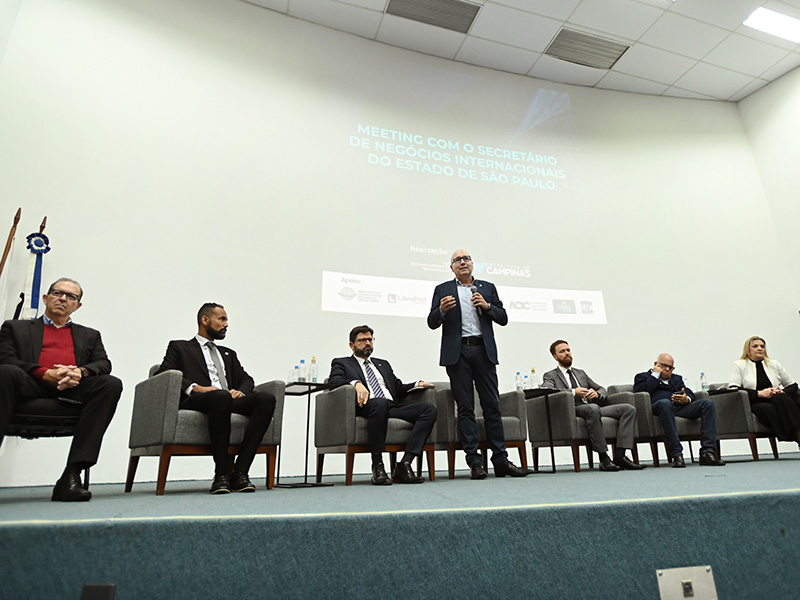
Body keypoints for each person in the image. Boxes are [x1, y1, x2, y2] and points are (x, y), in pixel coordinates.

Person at [0, 278, 122, 501]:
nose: (63, 299)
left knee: (110, 383)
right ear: (46, 298)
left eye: (71, 296)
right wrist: (44, 373)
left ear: (78, 305)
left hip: (70, 390)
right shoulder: (15, 328)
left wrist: (80, 372)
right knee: (5, 371)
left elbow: (103, 364)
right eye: (57, 293)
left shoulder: (90, 335)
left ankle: (71, 476)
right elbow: (5, 358)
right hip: (29, 385)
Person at [427, 249, 531, 479]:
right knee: (465, 408)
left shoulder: (487, 288)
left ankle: (501, 460)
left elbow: (502, 318)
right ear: (451, 267)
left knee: (492, 406)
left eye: (466, 259)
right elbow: (431, 322)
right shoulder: (442, 289)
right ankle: (475, 462)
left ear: (472, 264)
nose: (462, 262)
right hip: (458, 353)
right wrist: (442, 311)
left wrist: (487, 306)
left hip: (484, 352)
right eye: (457, 260)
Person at [156, 303, 276, 494]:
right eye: (222, 319)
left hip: (227, 399)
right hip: (199, 400)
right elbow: (164, 372)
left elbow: (247, 379)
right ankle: (221, 474)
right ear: (205, 320)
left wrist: (241, 392)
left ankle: (240, 472)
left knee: (267, 399)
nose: (226, 324)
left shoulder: (228, 353)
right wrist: (196, 388)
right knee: (220, 397)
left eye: (226, 320)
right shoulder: (179, 347)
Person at [328, 325, 437, 485]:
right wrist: (356, 383)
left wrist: (417, 383)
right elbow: (333, 382)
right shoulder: (342, 363)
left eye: (370, 340)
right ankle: (378, 466)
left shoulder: (382, 364)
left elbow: (398, 388)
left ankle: (405, 464)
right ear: (352, 345)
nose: (367, 343)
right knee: (379, 403)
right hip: (366, 406)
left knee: (428, 409)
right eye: (362, 340)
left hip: (391, 406)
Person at [542, 340, 644, 471]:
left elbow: (602, 389)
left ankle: (620, 455)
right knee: (592, 408)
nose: (567, 353)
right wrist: (573, 392)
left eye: (568, 350)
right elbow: (549, 391)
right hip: (572, 409)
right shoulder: (550, 375)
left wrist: (596, 393)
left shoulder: (580, 373)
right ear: (555, 357)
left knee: (628, 409)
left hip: (592, 407)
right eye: (562, 351)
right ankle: (603, 458)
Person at [634, 353, 725, 468]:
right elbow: (641, 391)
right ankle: (677, 454)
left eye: (670, 367)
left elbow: (688, 391)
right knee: (665, 403)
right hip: (659, 408)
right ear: (656, 364)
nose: (667, 369)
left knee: (707, 404)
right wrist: (655, 375)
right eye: (664, 366)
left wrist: (686, 399)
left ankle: (707, 452)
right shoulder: (642, 377)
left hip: (679, 408)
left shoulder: (676, 378)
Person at [728, 336, 800, 444]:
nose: (760, 348)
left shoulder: (773, 364)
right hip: (755, 401)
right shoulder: (739, 365)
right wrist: (759, 393)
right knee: (767, 409)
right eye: (755, 346)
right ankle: (795, 436)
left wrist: (781, 391)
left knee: (782, 397)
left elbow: (792, 385)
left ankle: (798, 434)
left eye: (762, 346)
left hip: (775, 399)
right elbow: (733, 388)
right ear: (748, 350)